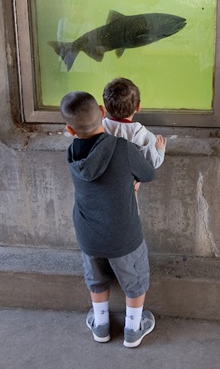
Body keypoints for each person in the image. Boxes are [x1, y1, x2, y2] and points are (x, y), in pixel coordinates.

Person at [60, 90, 157, 348]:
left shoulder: (72, 154)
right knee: (135, 279)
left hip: (88, 234)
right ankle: (133, 328)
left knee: (96, 278)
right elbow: (147, 174)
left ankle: (101, 325)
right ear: (103, 113)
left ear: (69, 130)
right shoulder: (123, 148)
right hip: (123, 234)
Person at [102, 77, 167, 169]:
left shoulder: (99, 128)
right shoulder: (144, 136)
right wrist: (160, 150)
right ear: (138, 106)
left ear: (105, 106)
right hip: (128, 179)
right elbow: (154, 162)